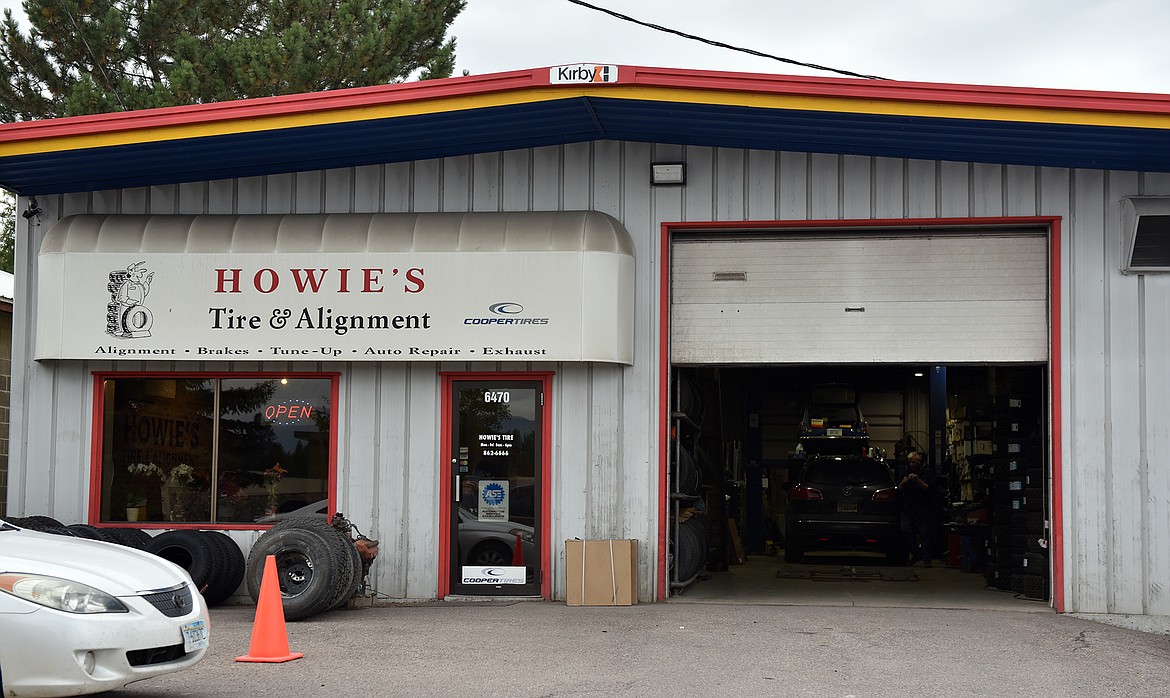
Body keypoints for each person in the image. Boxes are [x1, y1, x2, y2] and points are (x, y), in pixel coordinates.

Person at [897, 450, 935, 567]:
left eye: (917, 462)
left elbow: (930, 489)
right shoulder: (903, 472)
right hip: (908, 507)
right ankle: (916, 553)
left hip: (922, 507)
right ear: (908, 462)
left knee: (924, 534)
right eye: (912, 462)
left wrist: (918, 481)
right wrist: (903, 483)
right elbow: (897, 490)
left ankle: (926, 559)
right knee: (905, 530)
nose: (914, 464)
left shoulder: (926, 473)